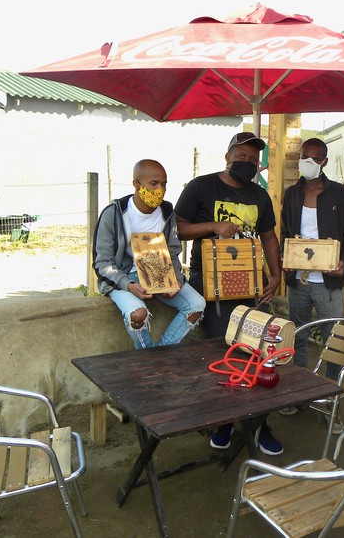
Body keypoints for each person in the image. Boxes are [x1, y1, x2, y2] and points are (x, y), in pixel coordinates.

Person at [175, 131, 283, 455]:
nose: (247, 162)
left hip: (250, 283)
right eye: (242, 156)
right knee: (220, 354)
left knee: (258, 352)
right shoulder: (201, 186)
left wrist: (276, 274)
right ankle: (223, 422)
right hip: (209, 282)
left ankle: (260, 425)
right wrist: (212, 225)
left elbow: (269, 238)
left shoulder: (260, 196)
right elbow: (178, 227)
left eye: (253, 159)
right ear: (227, 156)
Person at [279, 137, 344, 433]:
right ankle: (299, 394)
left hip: (329, 283)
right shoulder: (291, 194)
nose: (307, 163)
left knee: (332, 342)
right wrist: (284, 258)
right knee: (297, 337)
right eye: (304, 157)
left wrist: (343, 261)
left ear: (324, 162)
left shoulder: (340, 194)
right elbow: (286, 233)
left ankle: (330, 404)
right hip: (298, 282)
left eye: (314, 159)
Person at [93, 159, 206, 349]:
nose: (160, 189)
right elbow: (102, 263)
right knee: (138, 314)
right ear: (136, 184)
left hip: (158, 272)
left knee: (196, 305)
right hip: (124, 277)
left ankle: (160, 354)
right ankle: (146, 354)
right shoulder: (114, 214)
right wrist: (128, 285)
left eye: (164, 184)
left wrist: (175, 280)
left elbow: (172, 252)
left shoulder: (167, 212)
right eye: (153, 184)